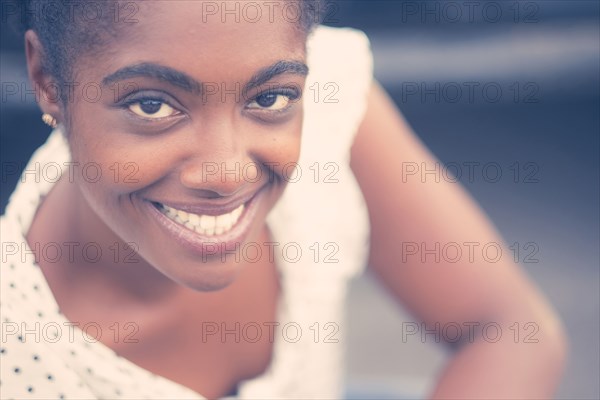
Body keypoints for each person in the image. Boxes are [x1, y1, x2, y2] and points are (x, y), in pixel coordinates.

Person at [1, 1, 566, 399]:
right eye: (152, 105)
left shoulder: (330, 111)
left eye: (270, 97)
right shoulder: (19, 352)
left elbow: (510, 330)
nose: (226, 172)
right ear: (48, 80)